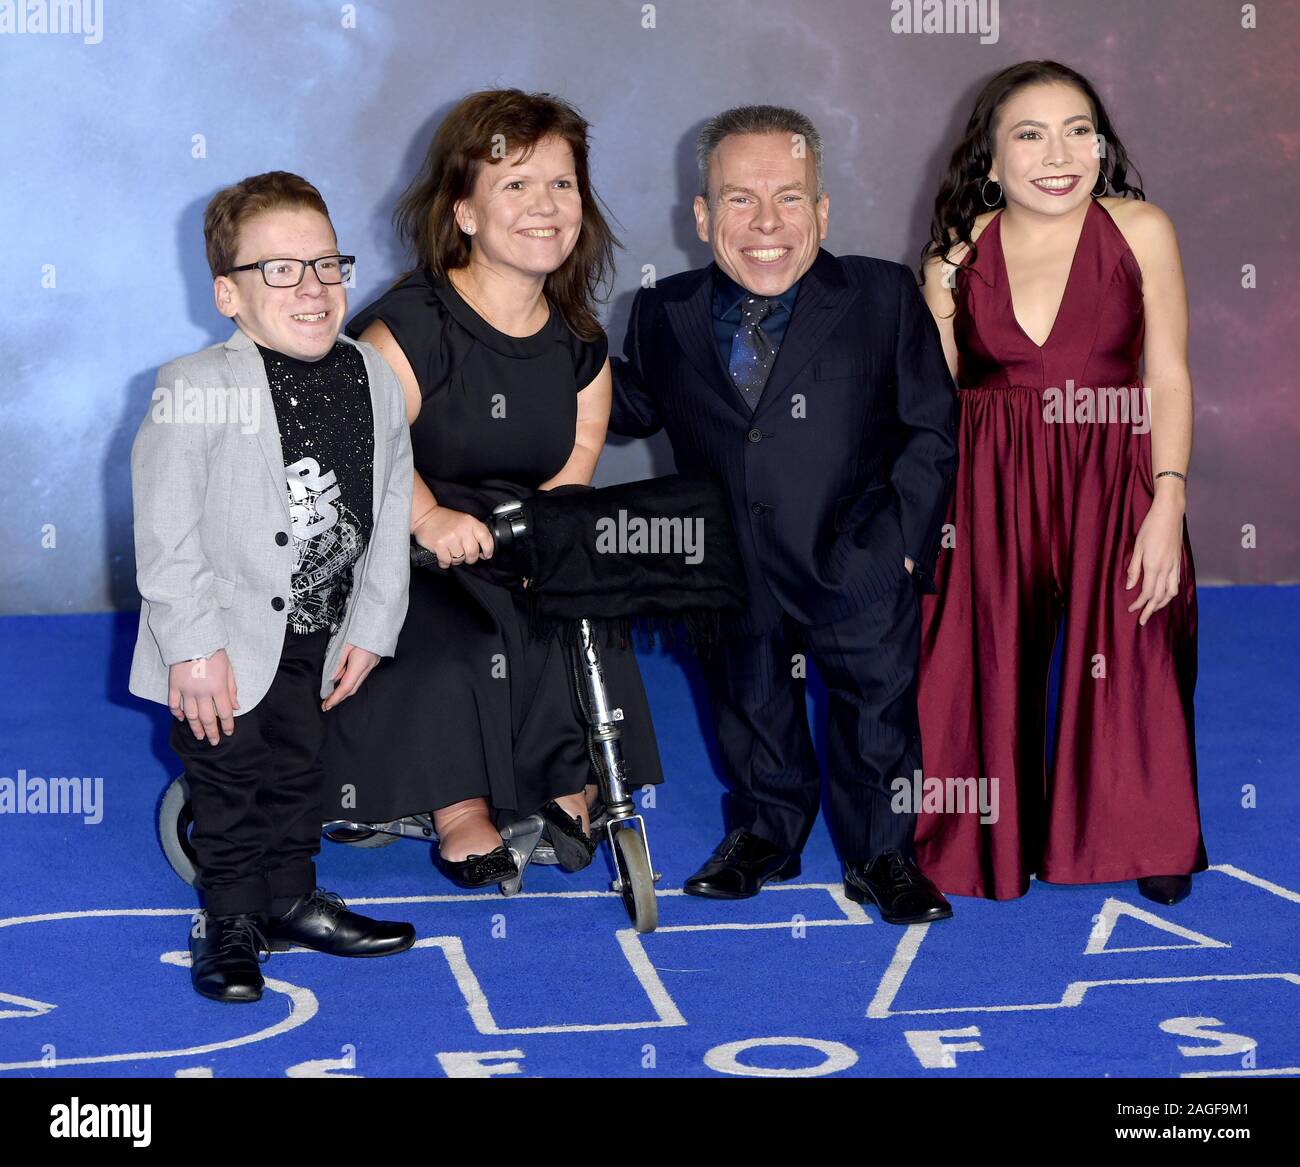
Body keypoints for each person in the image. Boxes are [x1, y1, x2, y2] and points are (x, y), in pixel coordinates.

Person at [609, 105, 957, 924]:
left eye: (790, 198)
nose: (766, 222)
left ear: (823, 209)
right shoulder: (666, 311)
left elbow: (930, 428)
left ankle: (882, 854)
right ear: (701, 216)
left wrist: (902, 547)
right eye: (738, 199)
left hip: (857, 556)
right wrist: (537, 341)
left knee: (877, 714)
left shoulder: (880, 294)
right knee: (749, 704)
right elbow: (629, 407)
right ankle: (768, 832)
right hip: (734, 567)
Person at [322, 89, 664, 887]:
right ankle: (458, 807)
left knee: (575, 608)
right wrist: (430, 514)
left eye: (563, 184)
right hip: (395, 540)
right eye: (516, 185)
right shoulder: (411, 325)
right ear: (464, 211)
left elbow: (578, 453)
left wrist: (548, 531)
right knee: (461, 639)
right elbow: (359, 447)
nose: (546, 206)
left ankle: (565, 786)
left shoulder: (578, 339)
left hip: (511, 535)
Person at [915, 61, 1207, 904]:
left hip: (1113, 481)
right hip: (986, 490)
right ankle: (984, 841)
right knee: (982, 662)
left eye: (1079, 129)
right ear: (993, 160)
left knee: (1134, 648)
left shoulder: (1141, 228)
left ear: (1101, 144)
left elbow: (1170, 376)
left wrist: (1169, 499)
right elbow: (930, 409)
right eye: (1030, 134)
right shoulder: (952, 259)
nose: (1060, 153)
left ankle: (1142, 829)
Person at [129, 171, 417, 1003]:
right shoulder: (194, 385)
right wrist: (191, 648)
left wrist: (374, 622)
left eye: (328, 265)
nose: (314, 287)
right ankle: (229, 919)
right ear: (229, 293)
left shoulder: (373, 375)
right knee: (227, 781)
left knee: (300, 766)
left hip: (321, 628)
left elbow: (392, 500)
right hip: (220, 639)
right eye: (280, 270)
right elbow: (165, 531)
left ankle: (289, 897)